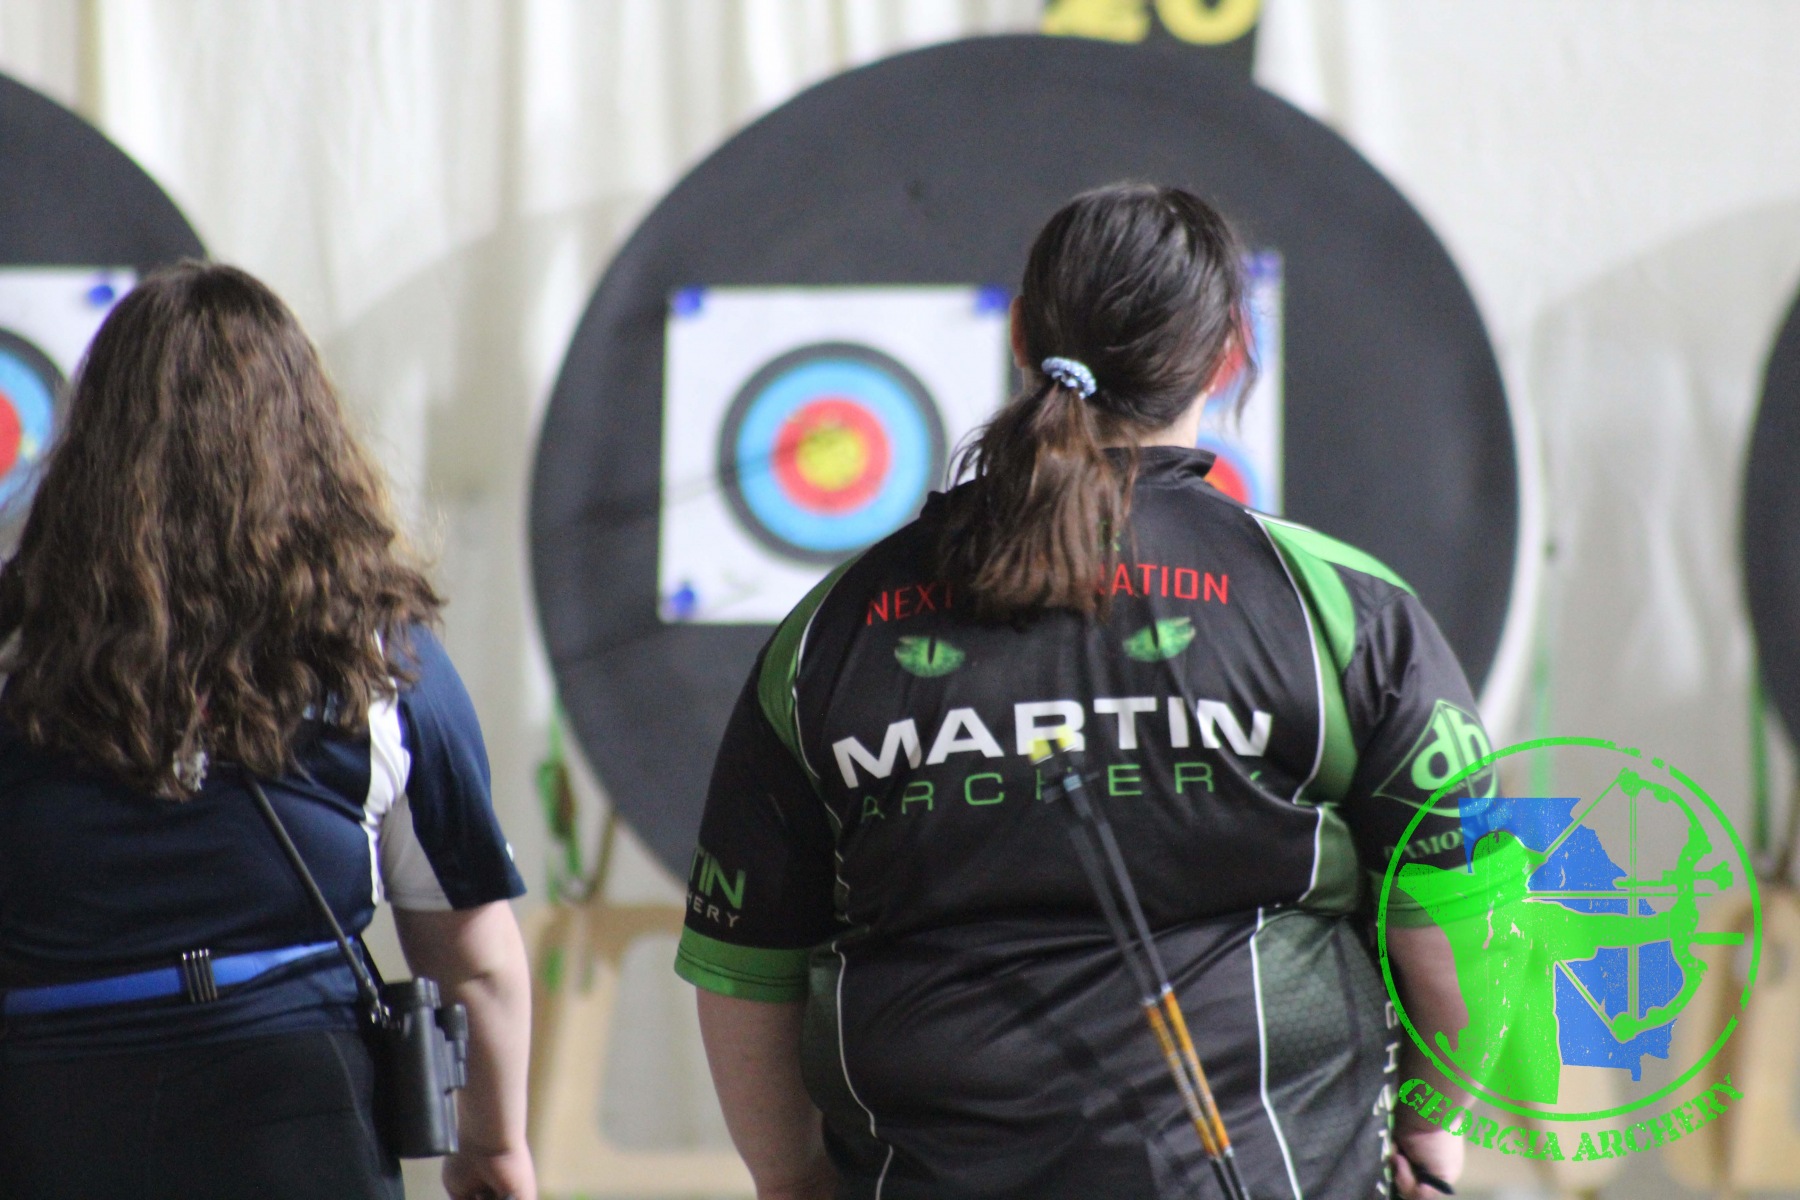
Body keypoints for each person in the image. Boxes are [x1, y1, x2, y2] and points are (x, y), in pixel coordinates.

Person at [675, 184, 1476, 1200]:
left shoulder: (831, 630)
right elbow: (1455, 927)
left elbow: (747, 964)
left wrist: (792, 1183)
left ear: (1019, 333)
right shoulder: (1341, 608)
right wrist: (1432, 1133)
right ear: (1229, 355)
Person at [0, 263, 536, 1200]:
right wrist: (493, 1149)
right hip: (301, 1105)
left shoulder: (15, 643)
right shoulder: (380, 657)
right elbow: (474, 954)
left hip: (50, 1109)